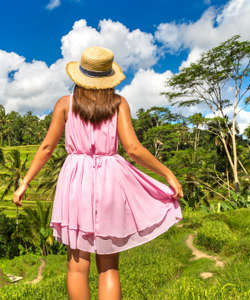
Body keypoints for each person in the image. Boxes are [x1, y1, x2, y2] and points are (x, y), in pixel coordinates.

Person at [13, 46, 183, 300]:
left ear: (79, 75)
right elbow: (133, 149)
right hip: (110, 181)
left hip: (75, 181)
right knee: (109, 268)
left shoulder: (64, 104)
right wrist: (167, 173)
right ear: (107, 77)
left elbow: (48, 147)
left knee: (77, 267)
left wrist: (25, 181)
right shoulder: (119, 103)